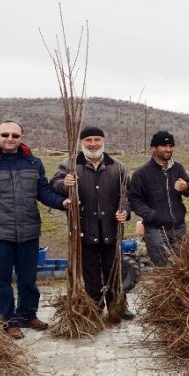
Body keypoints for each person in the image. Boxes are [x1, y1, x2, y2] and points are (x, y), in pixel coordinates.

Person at [0, 121, 69, 339]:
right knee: (1, 280)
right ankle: (7, 320)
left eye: (15, 135)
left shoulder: (33, 162)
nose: (10, 138)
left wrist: (62, 202)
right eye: (5, 134)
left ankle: (27, 315)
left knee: (28, 277)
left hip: (28, 230)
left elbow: (43, 192)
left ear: (22, 137)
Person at [51, 127, 133, 321]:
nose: (93, 144)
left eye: (97, 139)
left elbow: (126, 194)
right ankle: (94, 307)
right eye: (89, 140)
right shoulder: (69, 165)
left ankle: (117, 306)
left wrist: (125, 211)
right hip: (83, 228)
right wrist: (64, 184)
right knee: (90, 273)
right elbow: (54, 184)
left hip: (110, 228)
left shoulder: (117, 166)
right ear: (82, 143)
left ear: (103, 141)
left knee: (114, 270)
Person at [127, 130, 189, 267]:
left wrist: (186, 187)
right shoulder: (142, 173)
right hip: (156, 230)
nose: (168, 149)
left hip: (179, 228)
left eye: (171, 146)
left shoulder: (177, 168)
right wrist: (151, 215)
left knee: (183, 266)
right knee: (163, 269)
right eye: (164, 146)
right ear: (154, 148)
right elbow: (134, 199)